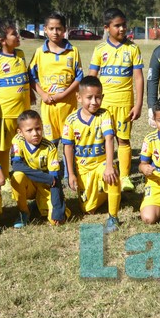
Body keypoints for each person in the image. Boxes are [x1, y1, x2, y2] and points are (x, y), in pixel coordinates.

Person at [88, 8, 144, 193]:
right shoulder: (99, 50)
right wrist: (89, 102)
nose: (121, 29)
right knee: (102, 139)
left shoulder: (132, 49)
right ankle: (102, 172)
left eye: (123, 25)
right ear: (106, 28)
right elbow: (91, 77)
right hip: (103, 104)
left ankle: (125, 176)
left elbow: (138, 78)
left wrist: (138, 104)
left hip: (124, 103)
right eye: (117, 25)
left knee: (123, 139)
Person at [62, 76, 121, 233]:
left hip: (101, 164)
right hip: (83, 169)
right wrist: (71, 174)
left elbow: (109, 139)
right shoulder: (71, 120)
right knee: (89, 210)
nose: (94, 102)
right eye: (89, 98)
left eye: (98, 97)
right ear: (79, 97)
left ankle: (113, 217)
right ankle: (106, 193)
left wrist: (109, 165)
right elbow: (68, 148)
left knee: (113, 173)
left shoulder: (104, 115)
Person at [29, 12, 83, 176]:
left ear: (65, 30)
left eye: (58, 29)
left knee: (69, 140)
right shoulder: (40, 52)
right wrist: (43, 94)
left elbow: (79, 77)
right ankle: (51, 170)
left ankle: (69, 172)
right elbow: (31, 76)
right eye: (51, 28)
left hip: (68, 106)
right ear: (45, 30)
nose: (55, 32)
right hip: (48, 106)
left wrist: (64, 94)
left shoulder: (73, 51)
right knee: (51, 141)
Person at [0, 19, 31, 179]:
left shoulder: (20, 54)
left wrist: (31, 94)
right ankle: (3, 176)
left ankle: (24, 173)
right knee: (5, 147)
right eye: (14, 34)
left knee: (25, 143)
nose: (18, 36)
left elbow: (25, 78)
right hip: (6, 114)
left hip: (24, 112)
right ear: (2, 40)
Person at [10, 110, 70, 228]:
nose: (35, 133)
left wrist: (58, 209)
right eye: (29, 130)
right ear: (20, 132)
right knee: (17, 176)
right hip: (31, 184)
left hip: (45, 186)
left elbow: (55, 180)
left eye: (38, 128)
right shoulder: (17, 140)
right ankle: (24, 212)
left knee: (56, 220)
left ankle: (43, 204)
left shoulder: (50, 147)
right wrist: (45, 177)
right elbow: (16, 165)